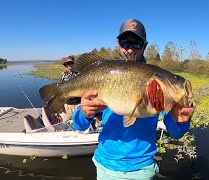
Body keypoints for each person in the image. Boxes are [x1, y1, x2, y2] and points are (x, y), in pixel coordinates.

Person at [72, 19, 195, 179]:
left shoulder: (158, 84)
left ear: (144, 45)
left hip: (141, 170)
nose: (130, 49)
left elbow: (176, 133)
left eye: (136, 43)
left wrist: (181, 121)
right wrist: (84, 113)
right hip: (104, 166)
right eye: (125, 43)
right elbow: (78, 125)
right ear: (118, 44)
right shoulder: (105, 72)